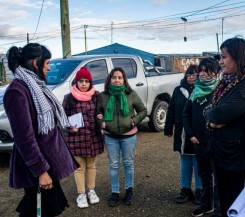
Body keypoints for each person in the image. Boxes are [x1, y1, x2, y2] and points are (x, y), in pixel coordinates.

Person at [4, 43, 79, 216]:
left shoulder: (36, 86)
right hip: (37, 169)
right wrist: (41, 171)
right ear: (36, 63)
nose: (49, 67)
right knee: (37, 211)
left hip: (48, 163)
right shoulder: (17, 91)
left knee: (46, 210)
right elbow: (25, 139)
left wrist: (66, 126)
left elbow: (48, 120)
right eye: (47, 63)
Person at [204, 37, 245, 216]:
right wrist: (211, 116)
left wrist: (212, 115)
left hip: (234, 155)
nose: (220, 62)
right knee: (220, 196)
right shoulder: (228, 82)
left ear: (238, 57)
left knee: (232, 200)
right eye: (220, 57)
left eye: (224, 57)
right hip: (221, 150)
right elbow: (209, 109)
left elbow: (218, 114)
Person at [96, 67, 147, 207]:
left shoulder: (131, 94)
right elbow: (97, 113)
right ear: (110, 79)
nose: (117, 80)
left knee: (128, 163)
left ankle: (129, 190)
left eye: (120, 77)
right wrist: (102, 123)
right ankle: (115, 192)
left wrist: (134, 121)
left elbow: (143, 110)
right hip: (111, 136)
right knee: (113, 165)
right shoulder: (103, 95)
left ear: (124, 79)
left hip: (128, 136)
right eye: (114, 77)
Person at [183, 58, 221, 217]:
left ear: (216, 72)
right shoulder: (195, 90)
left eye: (207, 71)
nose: (203, 74)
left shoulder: (221, 89)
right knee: (204, 174)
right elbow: (186, 114)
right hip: (198, 141)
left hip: (216, 141)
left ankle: (219, 209)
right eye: (202, 71)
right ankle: (206, 205)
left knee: (219, 177)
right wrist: (191, 135)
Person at [62, 67, 104, 208]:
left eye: (87, 81)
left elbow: (103, 112)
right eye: (81, 81)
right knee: (79, 168)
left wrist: (101, 117)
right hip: (76, 139)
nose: (84, 84)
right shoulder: (68, 98)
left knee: (91, 166)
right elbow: (63, 118)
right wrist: (69, 128)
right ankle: (81, 194)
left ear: (90, 83)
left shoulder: (97, 96)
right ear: (76, 82)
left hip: (93, 138)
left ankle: (91, 191)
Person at [164, 64, 203, 204]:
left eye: (194, 75)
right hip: (182, 132)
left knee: (198, 163)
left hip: (197, 133)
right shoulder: (178, 90)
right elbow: (172, 110)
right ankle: (185, 190)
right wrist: (168, 128)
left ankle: (200, 190)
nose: (191, 77)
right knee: (185, 162)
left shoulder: (202, 90)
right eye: (189, 74)